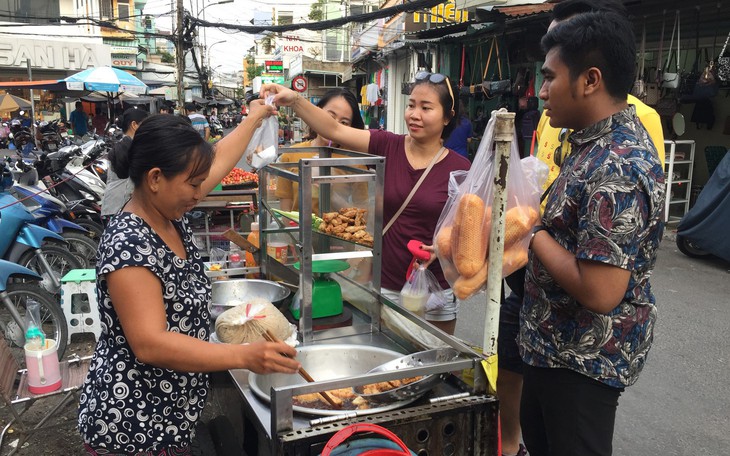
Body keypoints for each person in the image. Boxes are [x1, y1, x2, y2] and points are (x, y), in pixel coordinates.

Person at [77, 105, 301, 455]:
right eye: (193, 184)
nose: (200, 192)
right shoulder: (129, 242)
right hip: (133, 423)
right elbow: (150, 343)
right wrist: (244, 356)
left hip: (168, 414)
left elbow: (221, 158)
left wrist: (256, 117)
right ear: (154, 178)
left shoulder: (167, 213)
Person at [498, 2, 668, 455]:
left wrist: (532, 233)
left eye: (550, 77)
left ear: (590, 80)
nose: (541, 90)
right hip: (549, 349)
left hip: (581, 363)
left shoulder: (620, 165)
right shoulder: (588, 144)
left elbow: (600, 291)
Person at [262, 72, 470, 335]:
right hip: (385, 286)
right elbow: (334, 129)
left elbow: (469, 234)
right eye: (411, 105)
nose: (414, 114)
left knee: (436, 364)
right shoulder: (387, 144)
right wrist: (294, 100)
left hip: (435, 290)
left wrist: (443, 249)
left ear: (447, 116)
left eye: (426, 108)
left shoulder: (460, 169)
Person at [276, 88, 367, 214]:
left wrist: (331, 194)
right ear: (316, 112)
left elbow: (362, 215)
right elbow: (285, 211)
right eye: (330, 117)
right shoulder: (291, 155)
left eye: (344, 122)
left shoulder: (355, 163)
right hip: (299, 232)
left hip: (337, 232)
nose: (333, 125)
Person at [99, 107, 150, 226]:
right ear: (134, 125)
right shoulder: (129, 146)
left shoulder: (124, 144)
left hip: (114, 205)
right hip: (120, 207)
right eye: (145, 125)